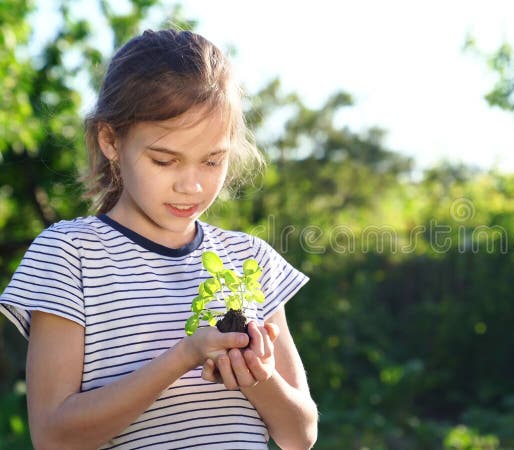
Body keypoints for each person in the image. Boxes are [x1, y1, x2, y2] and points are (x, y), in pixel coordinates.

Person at [0, 29, 317, 449]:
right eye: (164, 160)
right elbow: (53, 437)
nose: (191, 186)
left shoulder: (247, 258)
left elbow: (301, 435)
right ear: (110, 140)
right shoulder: (69, 255)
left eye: (211, 160)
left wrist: (257, 377)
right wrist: (184, 357)